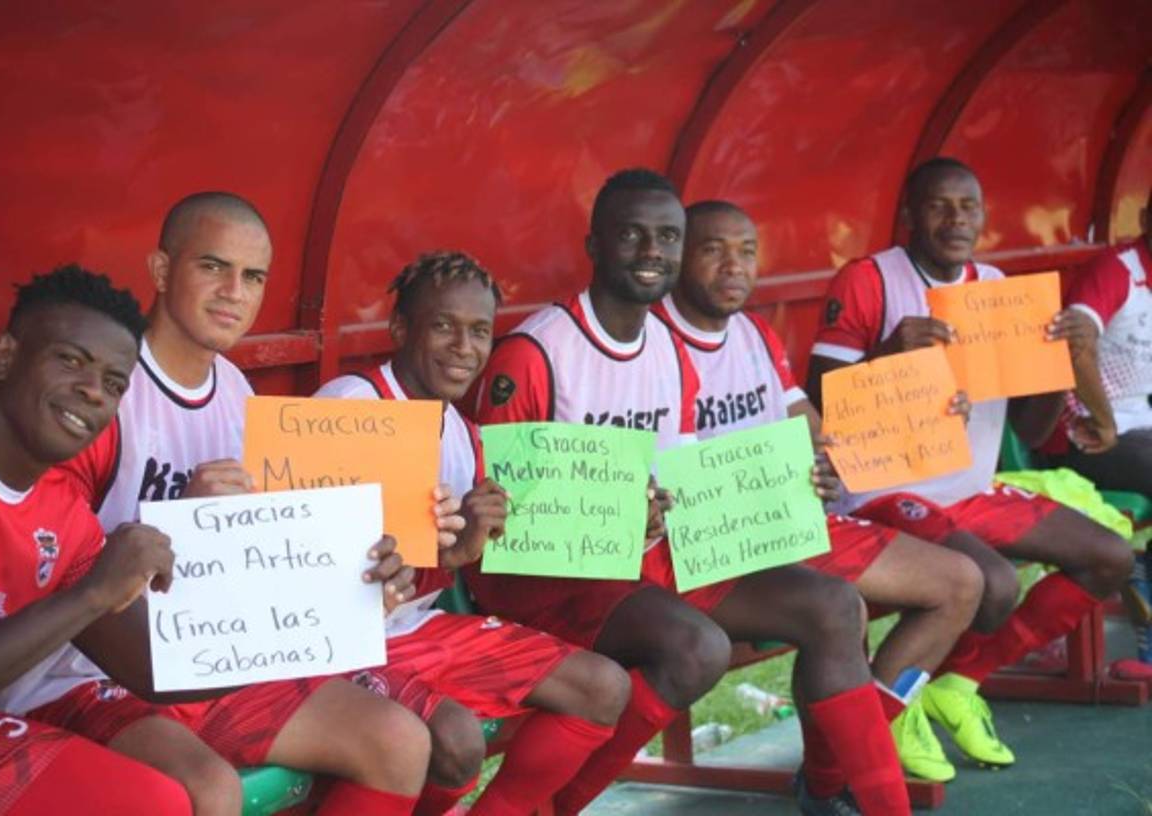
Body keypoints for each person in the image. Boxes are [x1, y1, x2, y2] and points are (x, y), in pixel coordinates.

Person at [470, 169, 911, 816]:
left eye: (668, 237)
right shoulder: (537, 352)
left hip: (645, 555)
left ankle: (874, 803)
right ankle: (556, 805)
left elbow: (679, 475)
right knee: (696, 648)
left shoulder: (669, 349)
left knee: (834, 606)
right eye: (632, 235)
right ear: (595, 246)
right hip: (550, 576)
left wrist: (796, 478)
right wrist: (616, 512)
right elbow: (499, 508)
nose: (653, 251)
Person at [14, 195, 448, 816]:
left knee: (398, 742)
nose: (234, 293)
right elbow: (46, 559)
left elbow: (269, 561)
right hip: (79, 671)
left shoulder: (239, 396)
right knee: (206, 791)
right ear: (162, 270)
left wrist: (359, 576)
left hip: (208, 654)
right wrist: (183, 524)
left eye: (253, 277)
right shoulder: (104, 388)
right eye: (213, 267)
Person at [805, 157, 1134, 768]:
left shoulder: (996, 290)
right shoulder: (869, 281)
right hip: (884, 489)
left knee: (1110, 557)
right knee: (995, 583)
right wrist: (888, 353)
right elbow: (818, 407)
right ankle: (887, 719)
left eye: (969, 207)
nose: (956, 220)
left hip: (972, 487)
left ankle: (955, 683)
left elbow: (1031, 430)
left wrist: (1058, 364)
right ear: (910, 213)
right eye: (939, 205)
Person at [654, 199, 984, 783]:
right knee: (837, 610)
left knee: (960, 583)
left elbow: (811, 424)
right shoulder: (653, 342)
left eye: (747, 251)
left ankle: (852, 751)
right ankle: (846, 773)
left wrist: (921, 412)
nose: (734, 266)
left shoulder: (754, 332)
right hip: (715, 544)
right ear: (678, 257)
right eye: (713, 250)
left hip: (788, 520)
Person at [315, 250, 631, 816]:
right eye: (444, 326)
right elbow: (305, 571)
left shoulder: (464, 433)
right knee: (457, 742)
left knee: (602, 687)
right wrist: (444, 555)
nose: (465, 347)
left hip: (414, 630)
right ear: (400, 329)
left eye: (480, 331)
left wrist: (469, 547)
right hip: (339, 646)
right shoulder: (350, 406)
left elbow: (443, 567)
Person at [0, 267, 195, 815]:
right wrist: (93, 593)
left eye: (114, 383)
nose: (94, 391)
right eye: (71, 361)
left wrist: (321, 606)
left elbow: (159, 669)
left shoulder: (66, 517)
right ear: (4, 356)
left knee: (157, 803)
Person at [1040, 187, 1152, 498]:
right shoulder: (1117, 270)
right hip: (1087, 433)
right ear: (1145, 220)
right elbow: (1074, 345)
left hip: (1140, 421)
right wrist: (1105, 422)